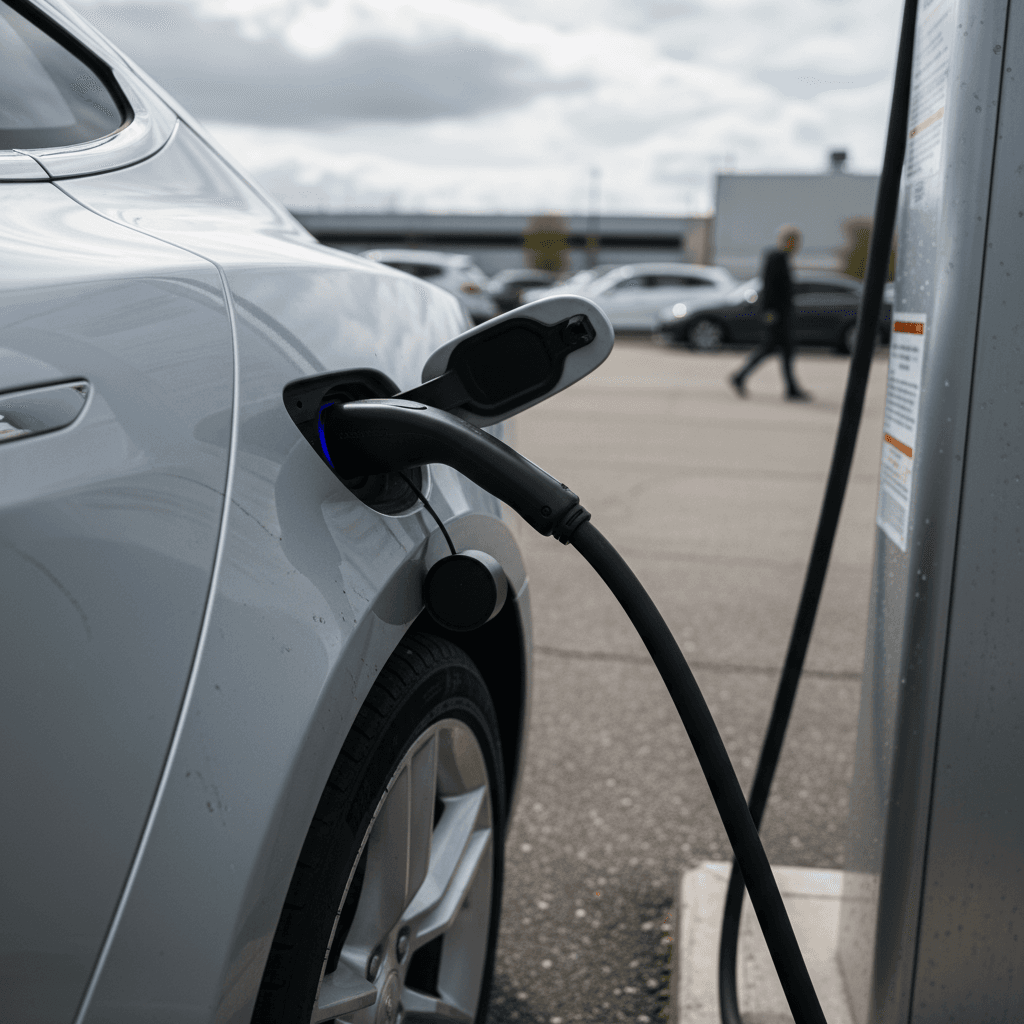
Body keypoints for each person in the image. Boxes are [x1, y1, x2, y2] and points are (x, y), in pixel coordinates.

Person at [730, 225, 810, 401]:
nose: (798, 245)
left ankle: (790, 388)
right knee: (773, 348)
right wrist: (769, 313)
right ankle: (740, 376)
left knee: (782, 350)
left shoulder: (784, 258)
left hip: (781, 314)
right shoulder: (776, 258)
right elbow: (769, 287)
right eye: (795, 241)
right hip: (776, 315)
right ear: (788, 241)